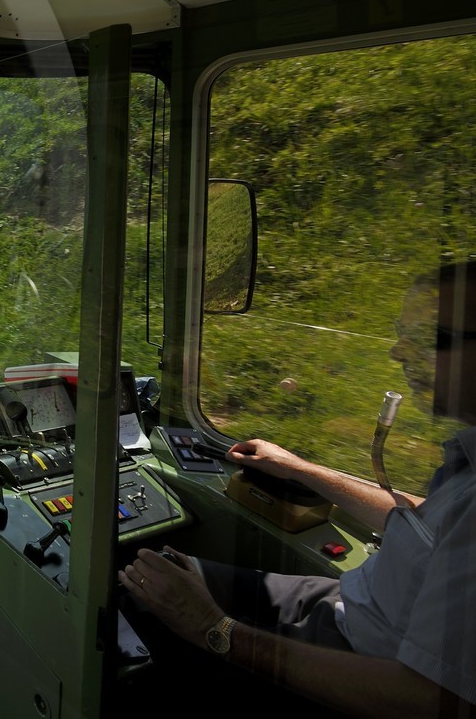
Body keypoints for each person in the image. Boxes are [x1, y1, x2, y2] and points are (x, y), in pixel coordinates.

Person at [119, 263, 476, 716]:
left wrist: (213, 627)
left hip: (364, 657)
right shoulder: (467, 460)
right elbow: (430, 520)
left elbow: (428, 700)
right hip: (350, 602)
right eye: (401, 331)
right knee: (158, 572)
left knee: (147, 608)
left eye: (429, 337)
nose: (398, 352)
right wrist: (299, 469)